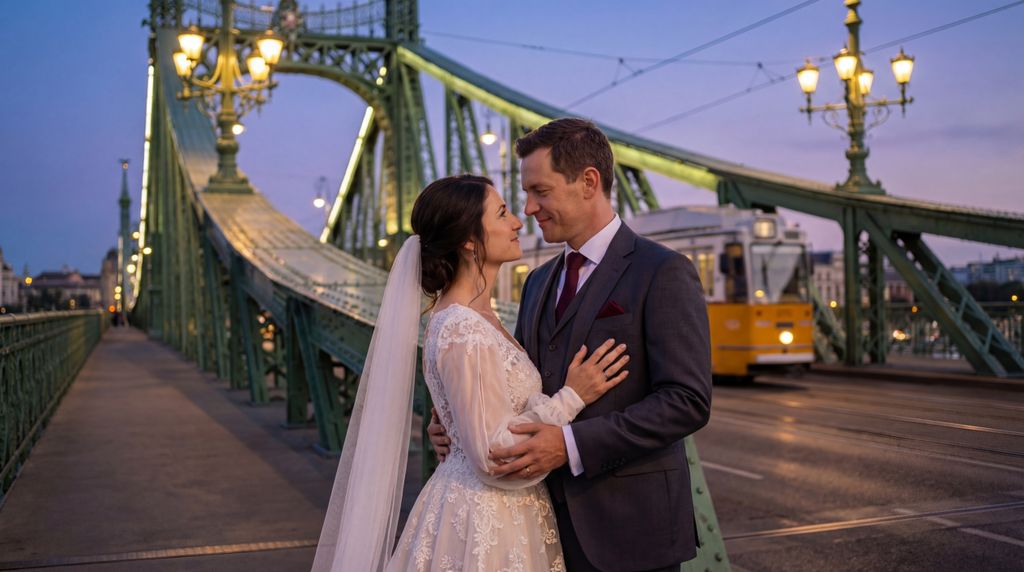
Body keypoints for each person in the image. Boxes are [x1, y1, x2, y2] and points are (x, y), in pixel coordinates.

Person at [428, 118, 712, 572]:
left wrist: (571, 445)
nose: (529, 208)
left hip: (630, 530)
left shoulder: (662, 271)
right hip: (538, 526)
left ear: (588, 182)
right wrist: (462, 417)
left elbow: (687, 401)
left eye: (540, 191)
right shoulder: (538, 282)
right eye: (523, 195)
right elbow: (513, 383)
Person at [312, 174, 630, 571]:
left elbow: (487, 408)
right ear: (468, 239)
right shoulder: (463, 328)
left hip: (506, 513)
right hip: (485, 521)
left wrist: (453, 419)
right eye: (502, 213)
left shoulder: (480, 319)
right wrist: (572, 396)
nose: (518, 221)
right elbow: (494, 455)